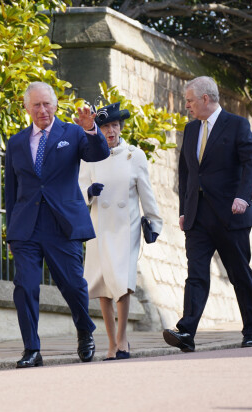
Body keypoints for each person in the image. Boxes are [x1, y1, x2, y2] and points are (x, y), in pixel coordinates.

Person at [5, 82, 109, 367]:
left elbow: (98, 153)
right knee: (25, 286)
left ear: (55, 105)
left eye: (47, 104)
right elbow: (11, 192)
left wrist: (91, 129)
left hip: (63, 224)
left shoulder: (72, 133)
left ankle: (85, 329)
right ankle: (32, 349)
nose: (42, 110)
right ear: (27, 108)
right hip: (26, 228)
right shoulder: (16, 143)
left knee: (73, 285)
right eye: (36, 105)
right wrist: (11, 233)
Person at [162, 76, 252, 352]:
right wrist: (184, 210)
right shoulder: (191, 129)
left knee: (239, 274)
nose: (186, 106)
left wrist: (243, 197)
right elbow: (186, 173)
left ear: (206, 99)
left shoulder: (238, 124)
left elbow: (250, 164)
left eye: (190, 100)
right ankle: (186, 332)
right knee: (195, 274)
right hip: (198, 217)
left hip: (231, 214)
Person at [79, 102, 163, 360]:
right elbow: (78, 188)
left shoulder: (134, 155)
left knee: (123, 281)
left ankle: (122, 338)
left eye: (114, 125)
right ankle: (111, 342)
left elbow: (146, 192)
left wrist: (154, 221)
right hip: (99, 226)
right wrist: (89, 193)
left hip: (126, 226)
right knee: (103, 283)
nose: (111, 131)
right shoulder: (88, 155)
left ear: (120, 127)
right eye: (105, 126)